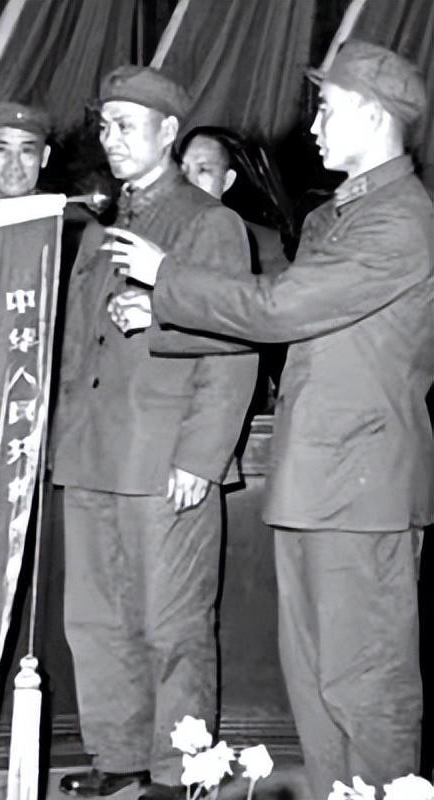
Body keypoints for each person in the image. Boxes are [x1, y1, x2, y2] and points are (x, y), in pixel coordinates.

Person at [107, 40, 433, 798]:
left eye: (327, 109)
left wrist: (167, 277)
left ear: (374, 115)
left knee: (365, 683)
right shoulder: (336, 218)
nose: (312, 126)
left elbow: (282, 306)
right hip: (318, 479)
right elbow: (280, 321)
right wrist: (161, 317)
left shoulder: (401, 221)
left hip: (362, 486)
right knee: (316, 683)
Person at [50, 66, 258, 800]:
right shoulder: (100, 228)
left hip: (164, 457)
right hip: (93, 455)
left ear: (169, 132)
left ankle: (178, 771)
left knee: (173, 626)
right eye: (105, 125)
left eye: (127, 125)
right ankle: (120, 757)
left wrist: (201, 457)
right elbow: (77, 350)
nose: (111, 139)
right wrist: (63, 447)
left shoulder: (209, 224)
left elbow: (234, 350)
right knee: (96, 621)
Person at [179, 128, 288, 276]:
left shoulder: (266, 246)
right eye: (183, 169)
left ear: (227, 180)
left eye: (203, 170)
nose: (188, 180)